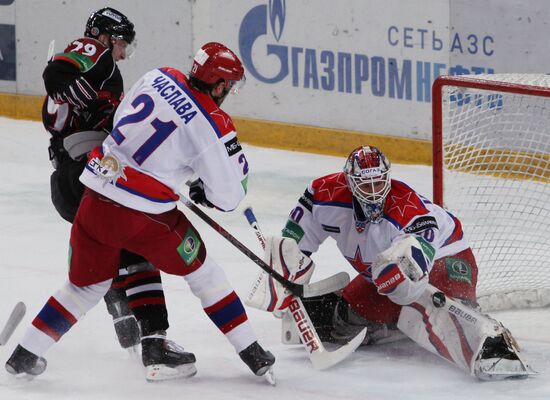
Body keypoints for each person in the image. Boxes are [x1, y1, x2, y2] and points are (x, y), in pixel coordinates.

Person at [5, 41, 275, 382]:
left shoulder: (158, 76)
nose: (228, 92)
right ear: (220, 84)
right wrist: (198, 184)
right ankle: (252, 352)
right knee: (205, 274)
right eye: (229, 86)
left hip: (95, 196)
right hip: (145, 218)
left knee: (85, 286)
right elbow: (228, 197)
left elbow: (122, 123)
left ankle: (25, 355)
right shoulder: (213, 123)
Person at [247, 145, 534, 380]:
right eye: (365, 183)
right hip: (379, 273)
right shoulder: (323, 195)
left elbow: (411, 277)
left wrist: (397, 282)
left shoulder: (408, 210)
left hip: (447, 259)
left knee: (433, 305)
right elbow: (296, 241)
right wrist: (285, 268)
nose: (373, 191)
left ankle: (490, 345)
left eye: (378, 182)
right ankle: (395, 322)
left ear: (388, 178)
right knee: (337, 324)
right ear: (349, 182)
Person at [39, 9, 190, 378]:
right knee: (139, 240)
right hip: (83, 173)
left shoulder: (101, 66)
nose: (122, 53)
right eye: (121, 43)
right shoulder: (95, 51)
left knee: (110, 251)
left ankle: (123, 320)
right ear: (104, 36)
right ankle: (154, 341)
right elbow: (55, 74)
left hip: (71, 181)